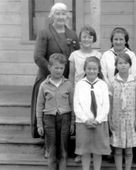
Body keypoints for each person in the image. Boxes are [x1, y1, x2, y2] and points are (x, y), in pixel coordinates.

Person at [31, 2, 79, 138]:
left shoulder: (72, 34)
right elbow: (38, 57)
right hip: (48, 78)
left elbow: (77, 56)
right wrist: (53, 73)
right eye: (57, 13)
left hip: (66, 81)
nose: (61, 16)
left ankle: (64, 142)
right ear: (52, 16)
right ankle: (47, 144)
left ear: (67, 16)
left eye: (63, 13)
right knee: (49, 113)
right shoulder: (45, 33)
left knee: (65, 113)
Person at [36, 53, 75, 170]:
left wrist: (72, 122)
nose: (58, 71)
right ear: (49, 67)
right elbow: (39, 105)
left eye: (61, 68)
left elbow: (72, 104)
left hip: (65, 118)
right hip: (49, 119)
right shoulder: (44, 85)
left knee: (63, 150)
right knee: (51, 150)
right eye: (56, 68)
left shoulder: (68, 84)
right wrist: (39, 124)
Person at [74, 56, 111, 170]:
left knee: (97, 150)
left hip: (99, 122)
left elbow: (106, 105)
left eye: (94, 69)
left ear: (98, 70)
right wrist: (86, 119)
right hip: (83, 123)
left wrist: (98, 119)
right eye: (89, 68)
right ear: (85, 69)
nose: (91, 71)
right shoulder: (80, 84)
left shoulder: (102, 84)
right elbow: (77, 104)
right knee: (85, 151)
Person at [109, 53, 136, 170]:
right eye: (120, 63)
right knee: (117, 150)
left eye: (125, 63)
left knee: (129, 150)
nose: (123, 66)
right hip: (117, 118)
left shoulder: (134, 81)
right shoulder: (112, 82)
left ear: (130, 65)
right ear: (116, 66)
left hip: (130, 119)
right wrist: (110, 119)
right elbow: (110, 102)